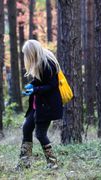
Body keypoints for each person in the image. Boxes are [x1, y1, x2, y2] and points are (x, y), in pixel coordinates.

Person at [16, 40, 63, 170]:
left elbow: (52, 85)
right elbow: (41, 80)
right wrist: (32, 84)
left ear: (32, 52)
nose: (26, 56)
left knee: (40, 134)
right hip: (37, 105)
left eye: (27, 53)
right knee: (26, 128)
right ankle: (24, 164)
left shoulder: (48, 63)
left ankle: (53, 163)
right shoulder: (39, 62)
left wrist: (35, 89)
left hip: (47, 107)